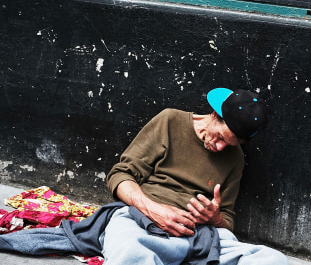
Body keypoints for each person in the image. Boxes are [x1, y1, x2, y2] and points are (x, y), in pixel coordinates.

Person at [0, 88, 289, 265]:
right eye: (220, 137)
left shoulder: (235, 158)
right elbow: (120, 175)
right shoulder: (170, 121)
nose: (220, 147)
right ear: (215, 115)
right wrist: (154, 210)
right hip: (142, 221)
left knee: (273, 260)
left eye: (231, 144)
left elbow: (227, 221)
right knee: (131, 255)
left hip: (199, 235)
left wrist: (214, 218)